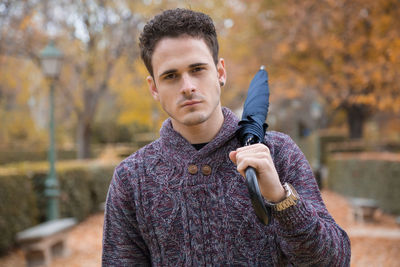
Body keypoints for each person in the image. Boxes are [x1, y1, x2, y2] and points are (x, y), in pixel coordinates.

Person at [102, 8, 351, 266]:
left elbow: (335, 261)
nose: (187, 86)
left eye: (197, 69)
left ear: (220, 73)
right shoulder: (132, 178)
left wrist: (280, 198)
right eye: (171, 76)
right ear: (154, 87)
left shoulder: (278, 152)